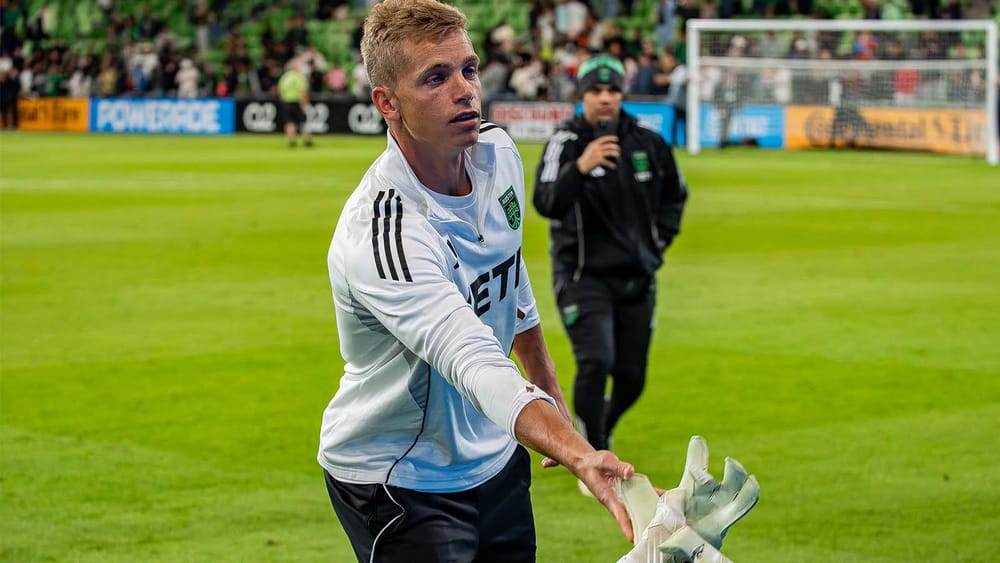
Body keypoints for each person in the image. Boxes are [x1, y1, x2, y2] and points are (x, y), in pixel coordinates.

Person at [317, 2, 637, 561]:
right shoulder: (387, 231)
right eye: (435, 78)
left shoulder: (499, 154)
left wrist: (545, 379)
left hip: (495, 451)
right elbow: (472, 359)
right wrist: (579, 453)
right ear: (387, 103)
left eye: (469, 69)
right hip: (401, 474)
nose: (465, 90)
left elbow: (508, 269)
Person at [532, 56, 688, 467]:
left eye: (612, 90)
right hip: (582, 276)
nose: (605, 98)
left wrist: (658, 242)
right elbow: (546, 201)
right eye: (595, 91)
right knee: (595, 360)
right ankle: (595, 456)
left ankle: (601, 423)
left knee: (632, 378)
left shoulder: (648, 141)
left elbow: (675, 195)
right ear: (581, 96)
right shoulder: (566, 141)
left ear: (622, 94)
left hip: (637, 275)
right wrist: (581, 168)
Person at [277, 56, 312, 147]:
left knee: (289, 122)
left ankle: (292, 141)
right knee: (304, 122)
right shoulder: (298, 77)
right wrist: (304, 103)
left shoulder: (284, 77)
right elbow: (302, 91)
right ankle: (307, 140)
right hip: (296, 102)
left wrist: (283, 100)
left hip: (286, 102)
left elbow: (279, 90)